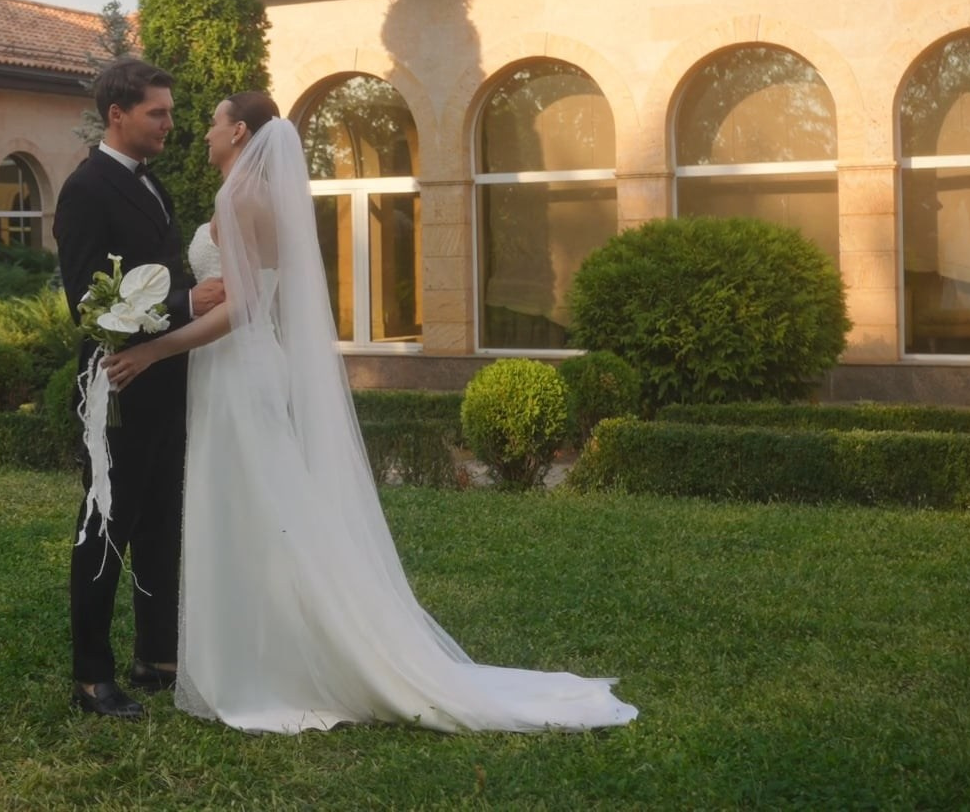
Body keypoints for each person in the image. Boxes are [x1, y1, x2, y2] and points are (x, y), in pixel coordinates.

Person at [103, 91, 638, 735]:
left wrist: (153, 351)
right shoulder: (259, 196)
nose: (205, 132)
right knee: (261, 505)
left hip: (236, 370)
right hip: (244, 367)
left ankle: (271, 662)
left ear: (239, 131)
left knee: (249, 505)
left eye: (215, 122)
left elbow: (241, 308)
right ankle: (268, 647)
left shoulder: (237, 198)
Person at [53, 58, 224, 721]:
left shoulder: (153, 184)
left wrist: (184, 306)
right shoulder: (85, 189)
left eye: (171, 112)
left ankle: (156, 656)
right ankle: (91, 677)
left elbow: (158, 272)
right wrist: (186, 302)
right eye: (158, 112)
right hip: (117, 383)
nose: (170, 124)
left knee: (160, 519)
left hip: (167, 378)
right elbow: (85, 303)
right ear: (117, 114)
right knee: (105, 523)